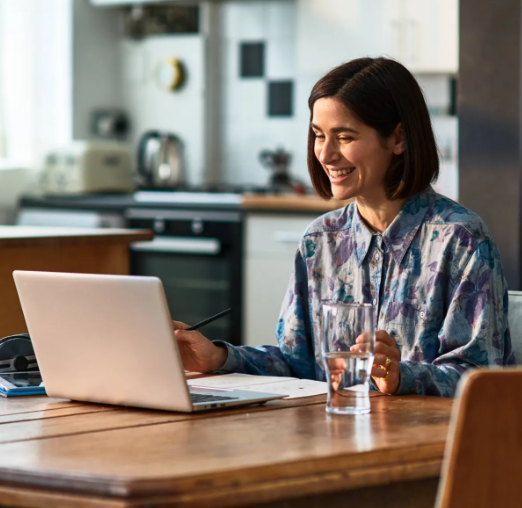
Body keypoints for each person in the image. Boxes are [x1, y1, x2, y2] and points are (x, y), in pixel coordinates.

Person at [174, 57, 516, 397]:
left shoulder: (461, 240)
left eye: (345, 137)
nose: (325, 153)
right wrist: (219, 357)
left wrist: (400, 376)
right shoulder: (319, 241)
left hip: (428, 444)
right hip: (335, 437)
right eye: (319, 135)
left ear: (398, 138)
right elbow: (298, 364)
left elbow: (482, 380)